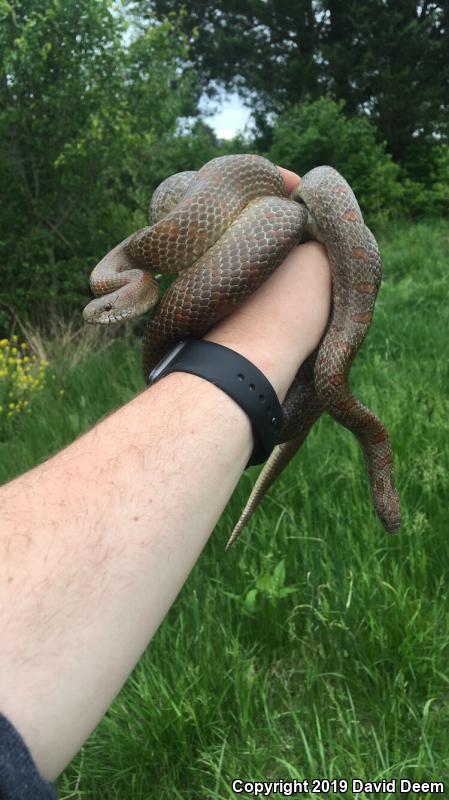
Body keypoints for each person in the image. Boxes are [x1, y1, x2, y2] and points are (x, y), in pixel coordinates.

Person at [0, 167, 331, 798]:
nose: (102, 316)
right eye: (107, 308)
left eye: (108, 309)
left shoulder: (160, 247)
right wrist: (288, 317)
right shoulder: (136, 266)